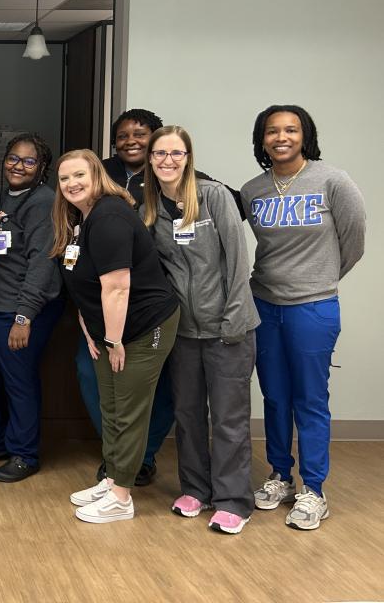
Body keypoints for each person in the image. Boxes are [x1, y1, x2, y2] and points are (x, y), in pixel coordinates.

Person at [241, 105, 365, 531]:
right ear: (261, 139)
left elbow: (354, 242)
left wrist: (320, 280)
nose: (281, 137)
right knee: (274, 396)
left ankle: (313, 489)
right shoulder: (253, 189)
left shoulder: (332, 180)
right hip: (264, 304)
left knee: (309, 398)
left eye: (290, 130)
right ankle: (279, 475)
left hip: (313, 307)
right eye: (272, 131)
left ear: (304, 135)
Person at [52, 149, 179, 524]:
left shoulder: (108, 216)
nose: (72, 184)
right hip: (108, 329)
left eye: (79, 176)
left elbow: (118, 288)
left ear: (97, 176)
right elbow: (86, 285)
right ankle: (111, 479)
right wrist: (91, 328)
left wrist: (114, 339)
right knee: (110, 404)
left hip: (141, 327)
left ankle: (122, 497)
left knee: (128, 410)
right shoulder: (83, 218)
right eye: (64, 179)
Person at [143, 126, 260, 534]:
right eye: (159, 153)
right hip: (184, 333)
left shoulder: (214, 197)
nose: (167, 160)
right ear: (150, 159)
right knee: (188, 415)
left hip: (229, 328)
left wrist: (233, 319)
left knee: (229, 419)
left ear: (188, 157)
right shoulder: (151, 209)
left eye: (176, 153)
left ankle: (233, 500)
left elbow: (237, 262)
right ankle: (196, 490)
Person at [0, 133, 64, 483]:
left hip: (23, 308)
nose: (18, 166)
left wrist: (24, 317)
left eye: (28, 161)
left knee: (18, 380)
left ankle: (24, 453)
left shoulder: (44, 202)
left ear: (42, 169)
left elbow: (42, 263)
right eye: (13, 158)